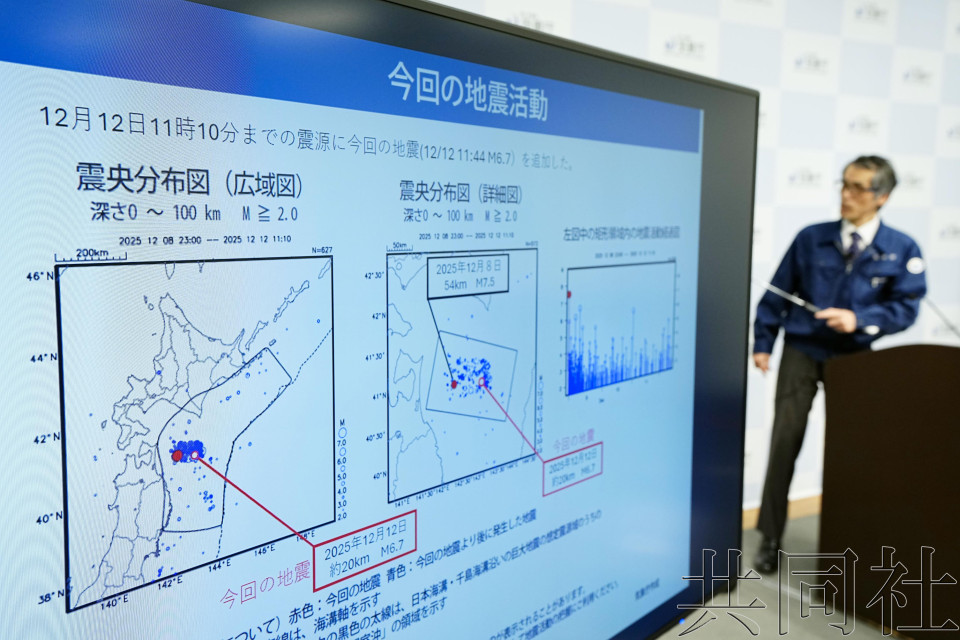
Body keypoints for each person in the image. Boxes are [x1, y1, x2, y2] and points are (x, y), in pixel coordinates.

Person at [752, 155, 926, 573]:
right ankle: (770, 538)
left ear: (882, 197)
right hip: (801, 351)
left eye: (858, 188)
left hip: (855, 359)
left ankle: (850, 543)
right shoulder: (810, 237)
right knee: (784, 442)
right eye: (844, 184)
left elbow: (906, 308)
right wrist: (763, 342)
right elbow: (777, 292)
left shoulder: (902, 248)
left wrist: (860, 319)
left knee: (854, 453)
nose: (846, 195)